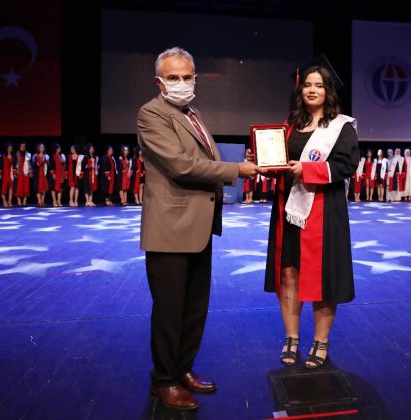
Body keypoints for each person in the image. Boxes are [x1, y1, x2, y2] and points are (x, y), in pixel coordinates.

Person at [137, 47, 261, 411]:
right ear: (159, 81)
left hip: (197, 225)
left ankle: (183, 369)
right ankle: (164, 380)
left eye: (186, 77)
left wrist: (242, 160)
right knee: (170, 309)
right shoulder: (151, 114)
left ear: (195, 79)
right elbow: (181, 166)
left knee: (194, 306)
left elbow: (205, 158)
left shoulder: (193, 113)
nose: (181, 83)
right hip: (170, 227)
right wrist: (237, 170)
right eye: (173, 77)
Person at [264, 56, 359, 371]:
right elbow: (281, 164)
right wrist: (263, 160)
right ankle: (291, 338)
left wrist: (308, 169)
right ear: (300, 89)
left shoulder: (340, 127)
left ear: (328, 90)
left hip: (324, 212)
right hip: (288, 210)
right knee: (289, 272)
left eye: (319, 85)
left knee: (323, 277)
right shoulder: (290, 125)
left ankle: (321, 340)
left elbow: (346, 166)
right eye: (307, 84)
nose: (312, 90)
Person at [32, 143, 50, 207]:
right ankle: (39, 201)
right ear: (38, 148)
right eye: (40, 147)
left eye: (43, 147)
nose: (42, 148)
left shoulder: (46, 156)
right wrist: (43, 160)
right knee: (38, 187)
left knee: (44, 187)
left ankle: (42, 201)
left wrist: (46, 160)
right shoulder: (35, 156)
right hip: (37, 174)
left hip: (44, 173)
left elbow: (48, 164)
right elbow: (36, 164)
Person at [14, 142, 31, 207]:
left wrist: (30, 171)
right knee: (19, 187)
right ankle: (19, 200)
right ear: (19, 147)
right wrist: (15, 172)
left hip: (26, 172)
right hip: (19, 172)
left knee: (26, 186)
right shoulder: (16, 154)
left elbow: (29, 164)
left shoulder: (28, 154)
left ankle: (24, 200)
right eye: (21, 146)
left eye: (24, 146)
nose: (23, 148)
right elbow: (14, 164)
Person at [0, 144, 15, 208]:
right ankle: (4, 201)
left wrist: (14, 173)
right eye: (9, 148)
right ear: (6, 148)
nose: (10, 149)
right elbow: (0, 165)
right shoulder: (3, 156)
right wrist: (0, 174)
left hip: (10, 173)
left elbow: (14, 165)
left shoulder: (13, 156)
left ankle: (9, 201)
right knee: (4, 188)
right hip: (4, 173)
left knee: (11, 187)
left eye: (11, 148)